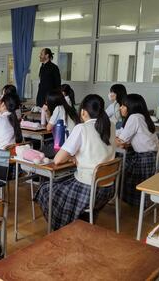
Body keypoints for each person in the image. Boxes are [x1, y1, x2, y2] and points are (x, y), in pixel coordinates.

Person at [35, 94, 115, 230]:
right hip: (107, 188)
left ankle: (61, 227)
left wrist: (74, 156)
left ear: (83, 111)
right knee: (66, 180)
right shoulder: (110, 126)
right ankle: (80, 219)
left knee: (46, 188)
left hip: (88, 189)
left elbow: (58, 159)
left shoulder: (82, 128)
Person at [115, 94, 159, 206]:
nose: (120, 108)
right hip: (154, 158)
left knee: (117, 165)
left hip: (144, 161)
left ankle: (115, 195)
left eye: (123, 106)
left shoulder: (134, 117)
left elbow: (121, 142)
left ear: (130, 107)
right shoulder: (143, 116)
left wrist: (111, 138)